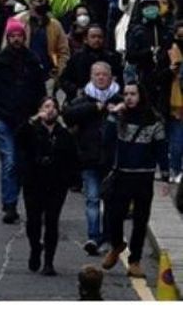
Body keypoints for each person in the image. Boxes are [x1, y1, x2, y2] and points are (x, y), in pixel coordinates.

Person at [0, 18, 48, 224]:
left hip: (27, 120)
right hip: (5, 119)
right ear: (8, 38)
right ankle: (9, 204)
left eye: (19, 36)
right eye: (12, 36)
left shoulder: (32, 61)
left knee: (23, 163)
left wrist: (39, 114)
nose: (16, 39)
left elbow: (40, 90)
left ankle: (25, 202)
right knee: (10, 162)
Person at [101, 82, 169, 278]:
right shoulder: (120, 117)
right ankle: (117, 245)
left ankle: (135, 261)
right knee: (114, 215)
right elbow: (106, 140)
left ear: (141, 96)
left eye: (133, 94)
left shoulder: (154, 120)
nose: (129, 98)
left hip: (143, 175)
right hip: (122, 174)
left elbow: (161, 149)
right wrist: (113, 114)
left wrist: (164, 176)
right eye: (126, 94)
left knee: (140, 220)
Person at [65, 61, 125, 256]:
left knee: (110, 201)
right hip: (89, 158)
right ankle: (93, 236)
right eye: (97, 75)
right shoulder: (83, 99)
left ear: (111, 77)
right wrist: (93, 108)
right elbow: (68, 116)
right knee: (92, 199)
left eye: (104, 75)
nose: (101, 78)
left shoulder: (120, 99)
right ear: (91, 77)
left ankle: (107, 238)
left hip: (112, 159)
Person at [15, 96, 78, 276]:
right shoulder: (31, 129)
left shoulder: (63, 133)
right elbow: (19, 139)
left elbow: (72, 158)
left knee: (52, 221)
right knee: (33, 221)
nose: (50, 110)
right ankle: (35, 247)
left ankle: (49, 262)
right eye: (46, 106)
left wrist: (70, 179)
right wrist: (33, 119)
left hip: (56, 184)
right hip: (33, 182)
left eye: (53, 107)